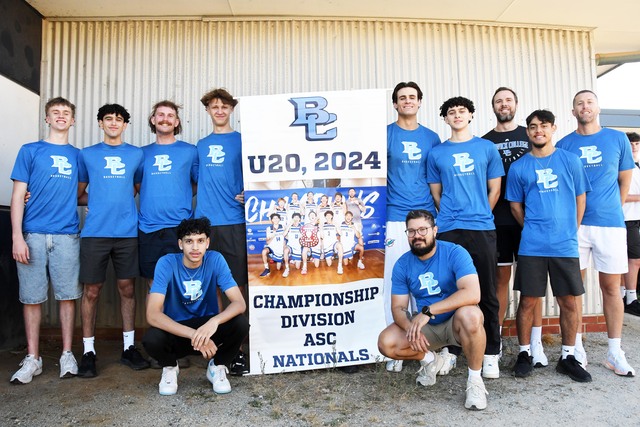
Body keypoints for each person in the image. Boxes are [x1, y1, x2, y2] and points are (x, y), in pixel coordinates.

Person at [506, 110, 591, 382]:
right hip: (532, 245)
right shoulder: (520, 167)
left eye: (543, 126)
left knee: (568, 301)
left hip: (564, 245)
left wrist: (569, 230)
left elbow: (580, 199)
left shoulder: (570, 161)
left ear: (553, 128)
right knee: (528, 301)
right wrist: (531, 228)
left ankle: (567, 357)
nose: (538, 131)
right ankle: (524, 353)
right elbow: (515, 206)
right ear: (528, 132)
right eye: (532, 127)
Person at [556, 90, 635, 376]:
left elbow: (624, 179)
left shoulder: (616, 139)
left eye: (589, 102)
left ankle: (615, 351)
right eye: (579, 103)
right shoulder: (564, 144)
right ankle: (576, 346)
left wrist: (612, 206)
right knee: (573, 288)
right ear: (573, 111)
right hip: (575, 226)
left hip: (610, 224)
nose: (585, 106)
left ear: (598, 107)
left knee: (612, 287)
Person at [377, 210, 488, 411]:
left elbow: (473, 293)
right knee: (386, 343)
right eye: (411, 231)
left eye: (422, 229)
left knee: (472, 315)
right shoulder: (403, 264)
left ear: (434, 230)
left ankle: (475, 382)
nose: (417, 235)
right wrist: (411, 327)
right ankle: (431, 360)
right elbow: (399, 307)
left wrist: (428, 312)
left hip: (455, 323)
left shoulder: (455, 252)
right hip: (427, 329)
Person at [427, 96, 503, 378]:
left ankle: (491, 352)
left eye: (462, 111)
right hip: (448, 228)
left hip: (482, 227)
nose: (457, 115)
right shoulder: (436, 153)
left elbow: (494, 190)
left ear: (471, 115)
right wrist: (451, 218)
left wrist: (479, 213)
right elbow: (436, 193)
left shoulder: (486, 148)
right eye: (451, 112)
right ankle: (452, 351)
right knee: (450, 290)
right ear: (445, 119)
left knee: (486, 290)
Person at [9, 97, 82, 384]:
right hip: (33, 234)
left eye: (66, 113)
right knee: (32, 298)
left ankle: (66, 354)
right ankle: (33, 358)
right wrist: (17, 237)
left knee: (67, 296)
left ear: (73, 120)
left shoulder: (79, 156)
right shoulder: (30, 151)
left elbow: (81, 194)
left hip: (66, 234)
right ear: (47, 119)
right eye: (56, 112)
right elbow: (17, 196)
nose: (61, 116)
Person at [76, 103, 148, 377]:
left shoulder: (136, 155)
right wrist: (98, 202)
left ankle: (129, 348)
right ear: (100, 123)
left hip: (127, 233)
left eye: (119, 119)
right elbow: (79, 193)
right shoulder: (88, 155)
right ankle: (88, 352)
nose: (114, 123)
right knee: (91, 291)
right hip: (95, 233)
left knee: (127, 289)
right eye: (108, 119)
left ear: (125, 125)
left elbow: (138, 189)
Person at [142, 217, 249, 396]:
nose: (195, 247)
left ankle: (217, 366)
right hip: (178, 330)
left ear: (208, 243)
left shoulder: (215, 260)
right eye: (189, 241)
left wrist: (214, 322)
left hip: (207, 327)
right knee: (151, 339)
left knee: (241, 323)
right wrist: (194, 335)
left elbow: (239, 303)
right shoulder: (166, 263)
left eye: (200, 241)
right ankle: (170, 367)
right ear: (180, 244)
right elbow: (152, 314)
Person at [482, 87, 547, 365]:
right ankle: (494, 343)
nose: (504, 104)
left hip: (530, 220)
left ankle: (535, 343)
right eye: (499, 101)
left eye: (508, 100)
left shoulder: (529, 134)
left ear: (516, 104)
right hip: (498, 220)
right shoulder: (484, 142)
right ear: (493, 107)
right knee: (500, 282)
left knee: (533, 285)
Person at [384, 81, 441, 373]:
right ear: (395, 104)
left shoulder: (432, 138)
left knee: (425, 285)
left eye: (412, 97)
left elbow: (437, 180)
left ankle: (426, 345)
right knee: (396, 284)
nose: (407, 101)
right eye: (402, 98)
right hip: (395, 218)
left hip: (425, 218)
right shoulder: (385, 134)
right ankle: (395, 347)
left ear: (420, 102)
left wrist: (439, 217)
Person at [196, 88, 249, 375]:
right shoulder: (200, 145)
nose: (219, 110)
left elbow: (257, 174)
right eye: (214, 106)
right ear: (207, 110)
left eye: (225, 106)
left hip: (234, 222)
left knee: (235, 286)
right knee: (213, 287)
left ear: (231, 110)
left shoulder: (242, 141)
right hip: (206, 225)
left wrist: (249, 191)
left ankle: (237, 350)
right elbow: (191, 182)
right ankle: (217, 347)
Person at [138, 101, 198, 289]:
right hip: (149, 228)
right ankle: (158, 319)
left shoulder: (190, 151)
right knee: (154, 284)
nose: (165, 119)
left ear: (177, 122)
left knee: (183, 282)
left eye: (170, 115)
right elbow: (136, 185)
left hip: (180, 227)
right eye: (161, 115)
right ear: (153, 119)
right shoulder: (141, 153)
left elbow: (199, 184)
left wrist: (182, 194)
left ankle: (180, 320)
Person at [621, 132, 640, 316]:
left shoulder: (637, 167)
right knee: (631, 259)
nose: (634, 147)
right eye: (631, 144)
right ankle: (630, 298)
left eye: (637, 144)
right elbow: (621, 196)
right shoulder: (622, 166)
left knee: (630, 260)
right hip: (623, 219)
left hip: (634, 218)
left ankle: (627, 296)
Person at [259, 213, 286, 277]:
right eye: (274, 218)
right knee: (264, 251)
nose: (275, 219)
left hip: (279, 248)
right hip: (271, 246)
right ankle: (266, 268)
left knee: (278, 268)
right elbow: (268, 242)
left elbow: (286, 237)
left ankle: (280, 259)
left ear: (279, 219)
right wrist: (273, 235)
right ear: (272, 220)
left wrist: (284, 246)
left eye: (277, 218)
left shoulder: (283, 227)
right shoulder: (269, 228)